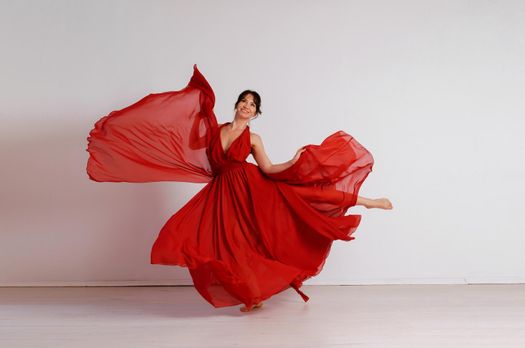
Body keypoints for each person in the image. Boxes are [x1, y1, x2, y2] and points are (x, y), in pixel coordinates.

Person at [86, 65, 393, 313]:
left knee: (304, 198)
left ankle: (368, 201)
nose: (247, 107)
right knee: (215, 241)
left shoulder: (254, 138)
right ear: (236, 106)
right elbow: (192, 145)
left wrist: (294, 160)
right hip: (222, 193)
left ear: (256, 114)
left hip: (249, 187)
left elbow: (269, 169)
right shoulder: (215, 131)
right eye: (244, 102)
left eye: (253, 105)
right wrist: (188, 113)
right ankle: (254, 295)